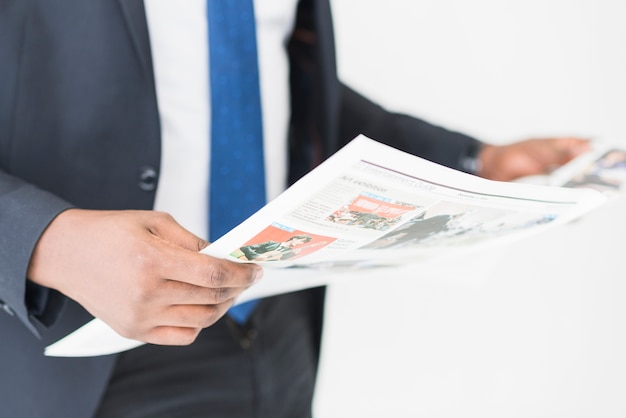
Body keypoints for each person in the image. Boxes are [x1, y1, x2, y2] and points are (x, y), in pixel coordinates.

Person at [0, 0, 590, 416]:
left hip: (275, 327)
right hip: (71, 348)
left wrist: (470, 159)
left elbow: (271, 87)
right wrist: (48, 242)